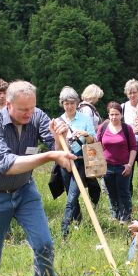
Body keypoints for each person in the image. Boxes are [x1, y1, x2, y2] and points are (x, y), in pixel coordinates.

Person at [0, 80, 74, 276]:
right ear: (8, 105)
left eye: (32, 108)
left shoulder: (37, 116)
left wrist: (62, 137)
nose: (30, 113)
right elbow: (6, 164)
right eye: (23, 110)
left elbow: (57, 149)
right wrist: (49, 157)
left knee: (44, 244)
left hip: (24, 190)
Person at [57, 86, 97, 239]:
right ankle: (78, 219)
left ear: (77, 103)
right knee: (70, 194)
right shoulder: (59, 121)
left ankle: (64, 230)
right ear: (62, 104)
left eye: (72, 103)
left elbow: (94, 141)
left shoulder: (85, 119)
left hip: (80, 160)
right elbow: (55, 145)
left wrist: (85, 134)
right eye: (66, 103)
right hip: (65, 161)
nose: (69, 106)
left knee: (72, 196)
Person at [98, 101, 137, 223]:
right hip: (107, 167)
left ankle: (125, 216)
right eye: (111, 114)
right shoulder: (103, 128)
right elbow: (96, 146)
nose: (114, 117)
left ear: (121, 115)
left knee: (124, 192)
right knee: (111, 192)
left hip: (123, 167)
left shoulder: (127, 128)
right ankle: (115, 215)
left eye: (116, 114)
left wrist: (130, 165)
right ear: (108, 115)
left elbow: (133, 148)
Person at [121, 79, 138, 195]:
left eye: (134, 92)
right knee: (128, 171)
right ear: (126, 94)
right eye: (129, 92)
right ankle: (128, 196)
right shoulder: (122, 107)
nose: (132, 95)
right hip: (128, 145)